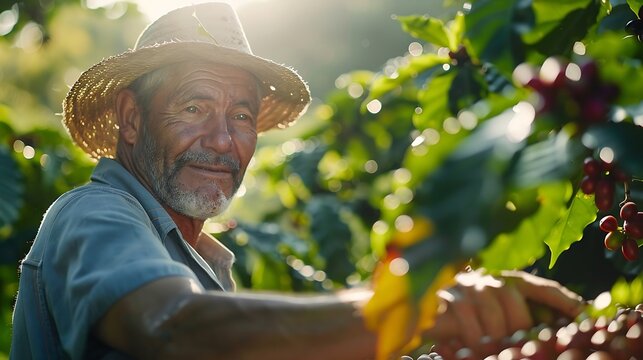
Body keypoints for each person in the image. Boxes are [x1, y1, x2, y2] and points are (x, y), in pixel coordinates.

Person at [10, 3, 584, 359]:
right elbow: (171, 330)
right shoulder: (94, 213)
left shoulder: (195, 258)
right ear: (132, 119)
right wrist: (414, 309)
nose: (222, 140)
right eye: (194, 107)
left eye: (240, 115)